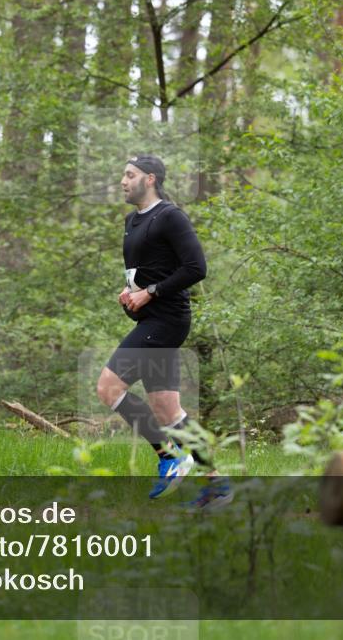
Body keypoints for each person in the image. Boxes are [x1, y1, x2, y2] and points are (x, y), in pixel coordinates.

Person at [95, 154, 232, 509]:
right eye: (122, 174)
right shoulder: (131, 221)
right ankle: (217, 485)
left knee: (108, 387)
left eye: (130, 174)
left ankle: (169, 456)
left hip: (167, 320)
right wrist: (132, 294)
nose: (123, 181)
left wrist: (150, 292)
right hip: (150, 320)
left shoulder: (169, 216)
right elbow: (145, 273)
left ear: (150, 179)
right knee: (168, 410)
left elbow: (196, 267)